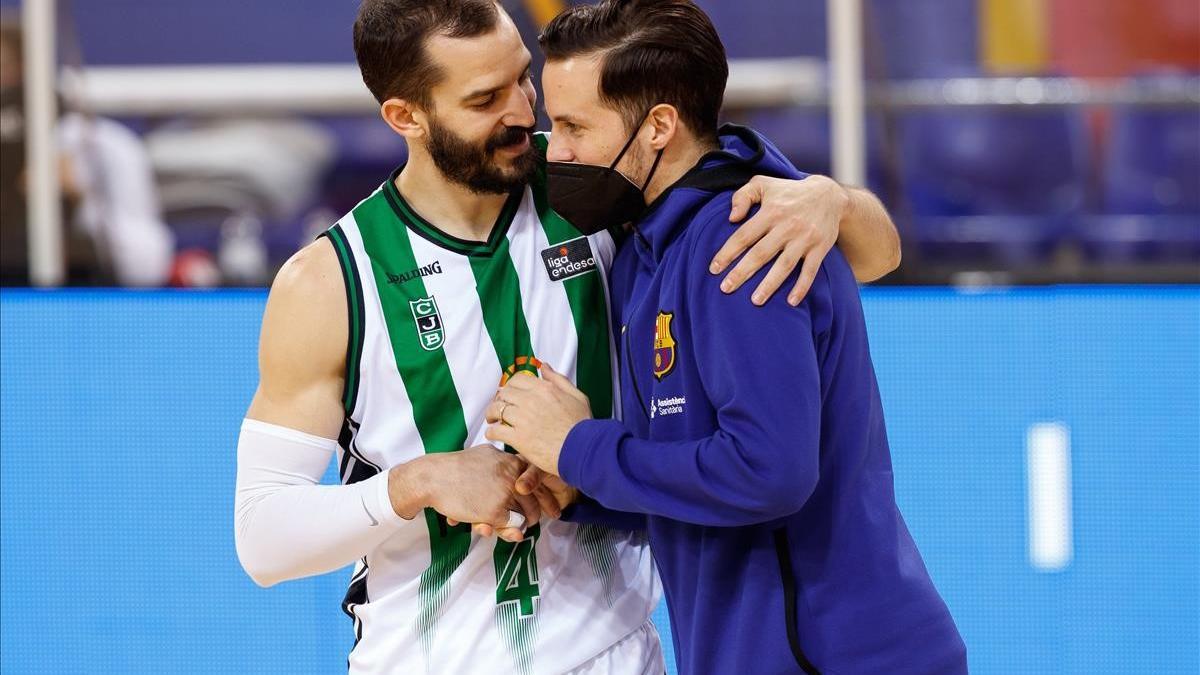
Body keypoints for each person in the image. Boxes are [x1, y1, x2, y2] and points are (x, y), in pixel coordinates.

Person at [233, 1, 901, 673]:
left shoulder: (600, 181)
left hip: (617, 654)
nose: (525, 112)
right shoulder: (330, 280)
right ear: (406, 116)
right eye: (485, 99)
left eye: (522, 78)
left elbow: (873, 257)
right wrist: (415, 483)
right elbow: (262, 539)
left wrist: (832, 200)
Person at [485, 2, 968, 674]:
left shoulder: (743, 240)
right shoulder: (650, 244)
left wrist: (580, 446)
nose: (554, 150)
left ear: (658, 127)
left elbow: (767, 473)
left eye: (572, 126)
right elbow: (701, 480)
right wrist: (582, 484)